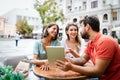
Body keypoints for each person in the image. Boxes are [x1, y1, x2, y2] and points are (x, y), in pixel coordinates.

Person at [55, 16, 120, 80]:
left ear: (87, 27)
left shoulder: (105, 41)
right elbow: (82, 59)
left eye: (81, 26)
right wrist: (67, 60)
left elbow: (98, 71)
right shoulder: (91, 42)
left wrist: (71, 67)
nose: (80, 30)